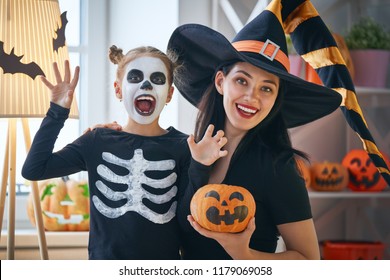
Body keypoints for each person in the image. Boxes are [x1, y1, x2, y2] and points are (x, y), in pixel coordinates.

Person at [165, 0, 344, 260]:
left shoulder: (278, 167)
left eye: (267, 88)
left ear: (275, 100)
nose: (252, 97)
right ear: (220, 82)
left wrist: (246, 255)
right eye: (241, 80)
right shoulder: (184, 153)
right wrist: (105, 133)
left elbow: (309, 261)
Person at [22, 46, 191, 260]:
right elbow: (34, 169)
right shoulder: (97, 140)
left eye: (157, 79)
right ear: (118, 90)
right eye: (135, 77)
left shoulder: (185, 146)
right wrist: (57, 112)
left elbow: (189, 221)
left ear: (169, 94)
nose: (146, 84)